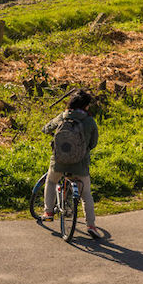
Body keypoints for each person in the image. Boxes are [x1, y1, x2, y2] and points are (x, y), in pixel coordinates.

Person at [42, 89, 100, 239]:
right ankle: (91, 225)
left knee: (51, 181)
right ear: (86, 106)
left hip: (59, 163)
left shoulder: (63, 116)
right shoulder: (89, 121)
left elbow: (46, 128)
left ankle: (48, 211)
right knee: (86, 194)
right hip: (80, 165)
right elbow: (93, 143)